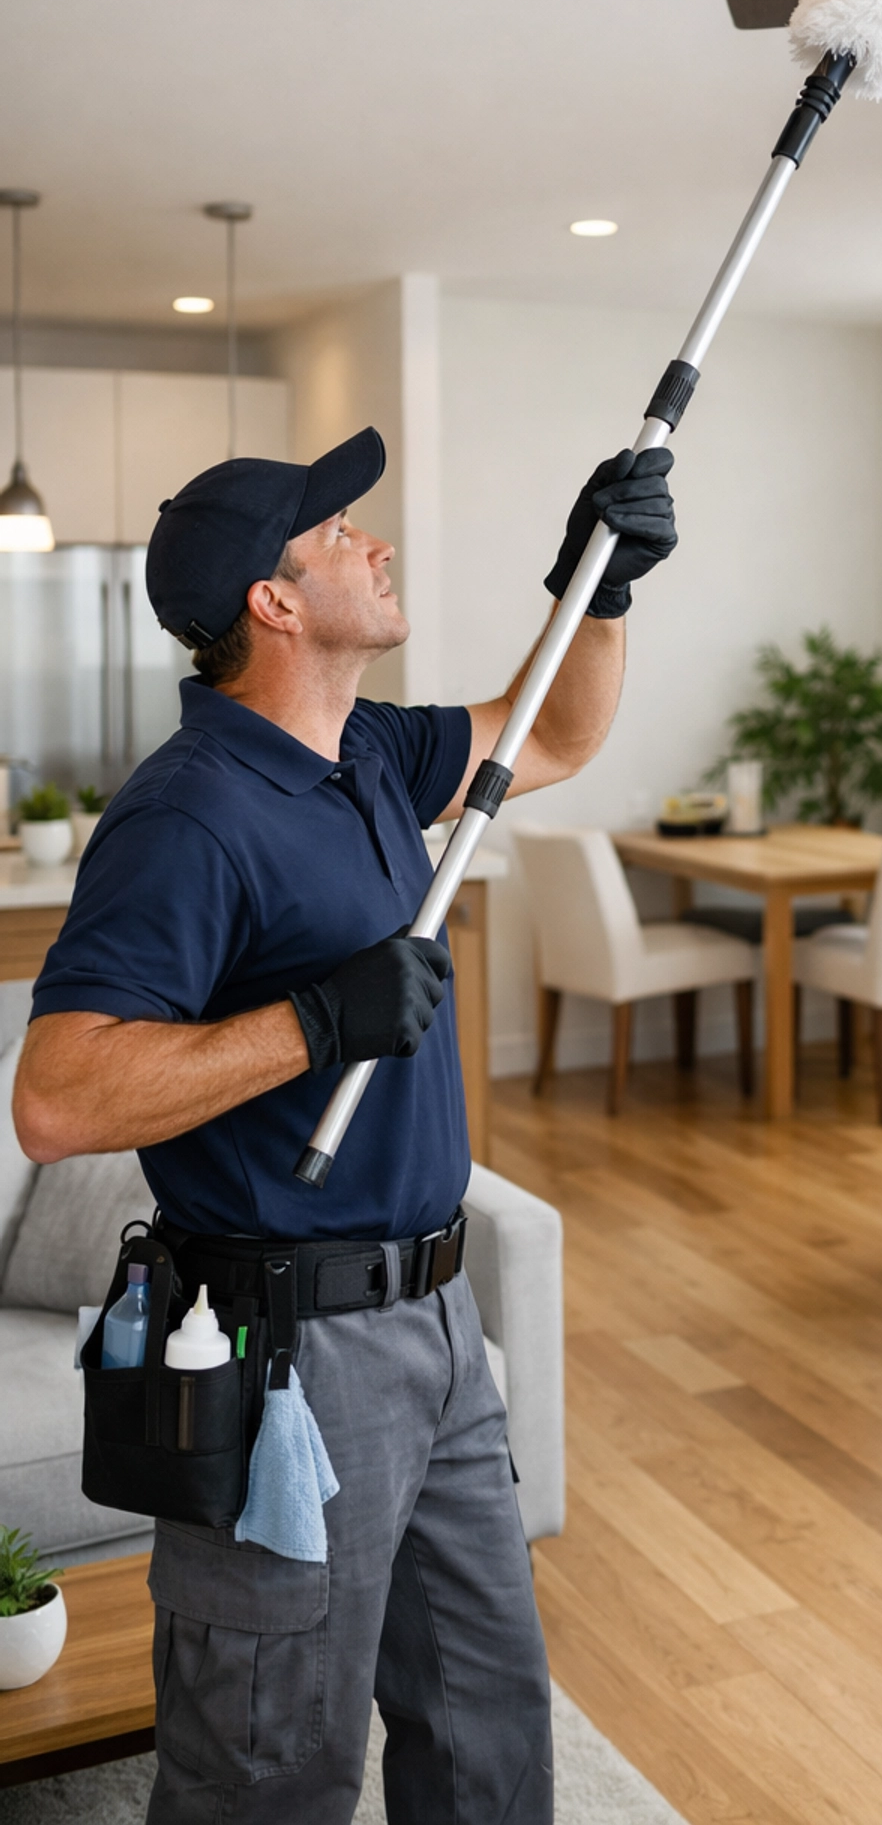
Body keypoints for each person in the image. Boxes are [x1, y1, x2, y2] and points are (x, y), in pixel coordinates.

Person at [12, 425, 677, 1824]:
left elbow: (550, 733)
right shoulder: (185, 816)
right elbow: (60, 1098)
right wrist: (313, 1024)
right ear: (274, 600)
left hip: (438, 1330)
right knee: (270, 1763)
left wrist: (596, 589)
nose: (376, 544)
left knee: (488, 1723)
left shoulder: (366, 753)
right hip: (285, 1361)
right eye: (338, 535)